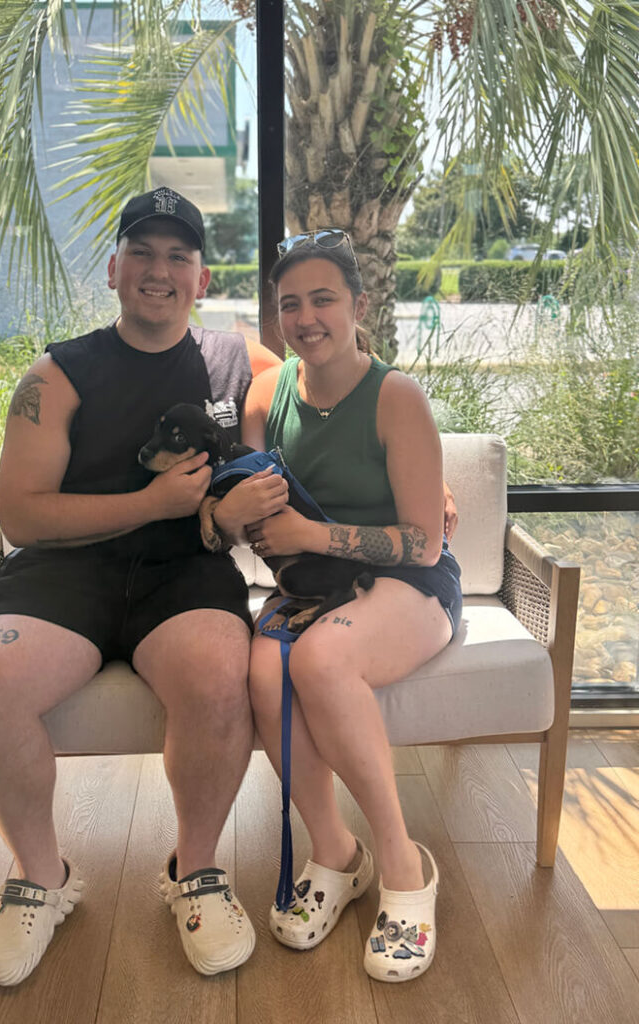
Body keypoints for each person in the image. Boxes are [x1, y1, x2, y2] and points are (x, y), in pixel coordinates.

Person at [0, 187, 288, 986]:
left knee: (217, 676)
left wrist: (405, 481)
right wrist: (147, 503)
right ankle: (41, 878)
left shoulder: (236, 358)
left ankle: (197, 870)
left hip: (185, 572)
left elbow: (326, 386)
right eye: (142, 251)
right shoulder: (59, 372)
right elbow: (21, 517)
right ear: (113, 269)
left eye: (179, 256)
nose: (159, 270)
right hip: (65, 572)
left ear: (203, 280)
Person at [214, 228, 463, 983]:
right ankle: (335, 853)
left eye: (324, 299)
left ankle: (402, 867)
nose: (306, 317)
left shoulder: (396, 397)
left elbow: (423, 544)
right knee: (263, 672)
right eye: (289, 304)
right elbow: (251, 495)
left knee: (320, 659)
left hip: (411, 584)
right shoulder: (268, 390)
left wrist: (310, 533)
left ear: (359, 305)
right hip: (313, 584)